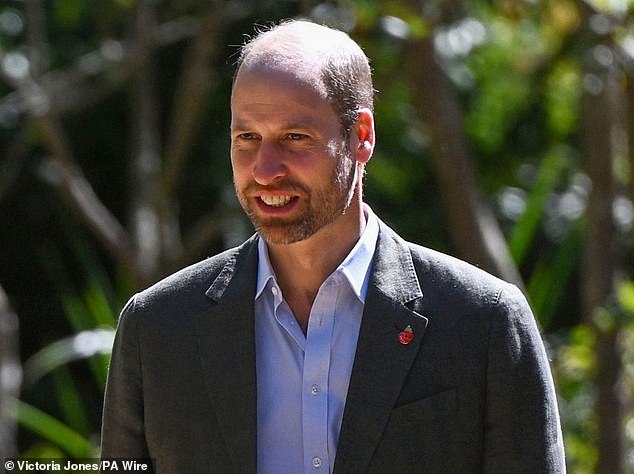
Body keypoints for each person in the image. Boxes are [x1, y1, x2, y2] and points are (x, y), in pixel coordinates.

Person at [100, 19, 566, 473]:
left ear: (361, 137)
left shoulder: (482, 322)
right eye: (247, 138)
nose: (265, 169)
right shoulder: (157, 330)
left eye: (294, 137)